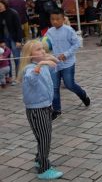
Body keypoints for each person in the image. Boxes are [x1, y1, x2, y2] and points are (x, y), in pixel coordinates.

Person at [17, 40, 63, 180]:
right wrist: (42, 63)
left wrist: (49, 58)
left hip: (45, 107)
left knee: (42, 137)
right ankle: (44, 169)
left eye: (43, 49)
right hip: (37, 110)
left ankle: (39, 159)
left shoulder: (40, 64)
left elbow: (55, 64)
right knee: (45, 139)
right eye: (38, 50)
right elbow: (32, 78)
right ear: (30, 55)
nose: (43, 51)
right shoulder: (29, 69)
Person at [47, 9, 90, 120]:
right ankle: (56, 110)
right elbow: (46, 44)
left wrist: (66, 54)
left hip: (68, 63)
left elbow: (76, 44)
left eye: (57, 19)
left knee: (69, 84)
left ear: (63, 19)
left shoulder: (68, 30)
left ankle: (83, 95)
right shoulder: (49, 31)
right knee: (54, 87)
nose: (55, 21)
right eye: (52, 19)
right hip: (54, 64)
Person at [0, 0, 23, 84]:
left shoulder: (13, 13)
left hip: (14, 38)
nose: (0, 8)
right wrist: (1, 41)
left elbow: (18, 28)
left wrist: (18, 40)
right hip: (5, 39)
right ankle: (9, 77)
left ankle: (18, 77)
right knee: (6, 58)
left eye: (0, 6)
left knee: (17, 58)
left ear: (4, 4)